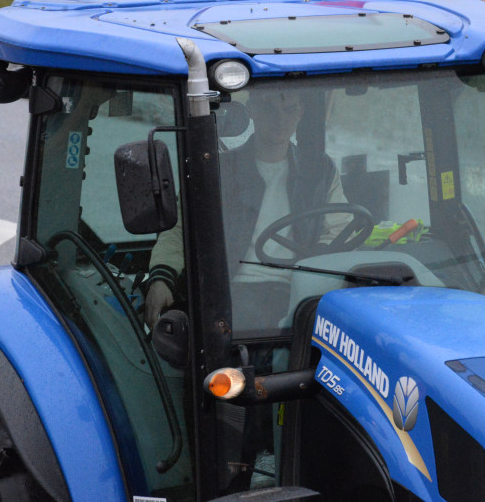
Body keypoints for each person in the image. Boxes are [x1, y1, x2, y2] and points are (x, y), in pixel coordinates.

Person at [143, 88, 350, 332]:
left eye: (289, 109)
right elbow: (180, 231)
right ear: (252, 110)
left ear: (301, 113)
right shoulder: (218, 171)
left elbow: (339, 231)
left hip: (298, 293)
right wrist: (161, 279)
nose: (280, 119)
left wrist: (314, 274)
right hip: (231, 292)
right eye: (269, 108)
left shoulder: (321, 172)